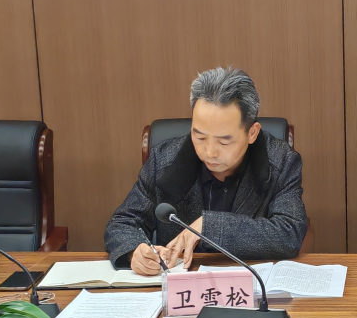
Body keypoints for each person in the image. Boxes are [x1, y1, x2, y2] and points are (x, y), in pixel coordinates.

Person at [105, 67, 307, 275]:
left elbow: (289, 233)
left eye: (224, 141)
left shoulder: (280, 162)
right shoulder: (164, 160)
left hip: (249, 282)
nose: (210, 152)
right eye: (200, 137)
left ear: (252, 133)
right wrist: (135, 251)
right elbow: (123, 223)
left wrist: (211, 227)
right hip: (180, 286)